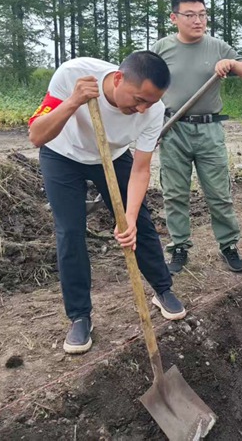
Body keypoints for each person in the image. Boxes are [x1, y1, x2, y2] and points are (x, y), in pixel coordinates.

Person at [29, 52, 187, 355]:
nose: (141, 109)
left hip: (112, 158)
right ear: (118, 79)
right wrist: (73, 101)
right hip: (62, 155)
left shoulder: (153, 110)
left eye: (150, 103)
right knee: (70, 232)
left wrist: (126, 217)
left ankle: (162, 289)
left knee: (139, 220)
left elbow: (141, 168)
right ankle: (79, 316)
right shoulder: (72, 74)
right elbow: (36, 135)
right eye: (139, 99)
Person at [152, 0, 242, 275]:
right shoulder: (161, 49)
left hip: (209, 129)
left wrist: (232, 64)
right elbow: (144, 84)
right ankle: (179, 247)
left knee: (218, 193)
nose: (198, 20)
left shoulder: (217, 46)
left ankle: (228, 245)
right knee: (174, 194)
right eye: (190, 15)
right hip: (173, 129)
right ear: (174, 18)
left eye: (202, 14)